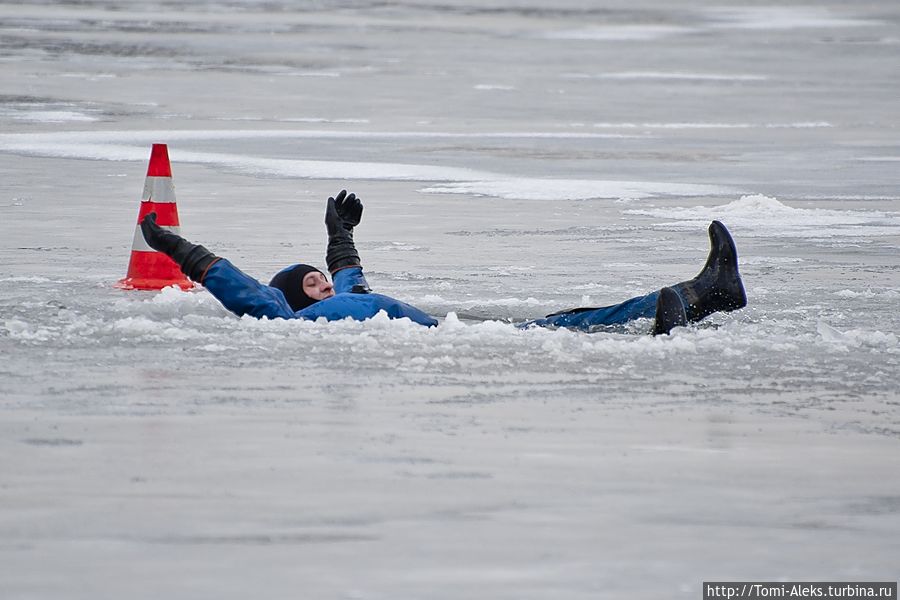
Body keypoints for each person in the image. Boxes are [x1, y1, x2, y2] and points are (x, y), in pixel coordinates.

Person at [138, 190, 746, 335]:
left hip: (457, 333)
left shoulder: (342, 303)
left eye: (322, 279)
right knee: (575, 326)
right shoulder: (288, 319)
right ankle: (692, 301)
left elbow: (351, 276)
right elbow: (246, 290)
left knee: (572, 321)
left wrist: (339, 234)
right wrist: (178, 250)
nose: (327, 284)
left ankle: (703, 292)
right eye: (313, 284)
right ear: (294, 298)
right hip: (452, 343)